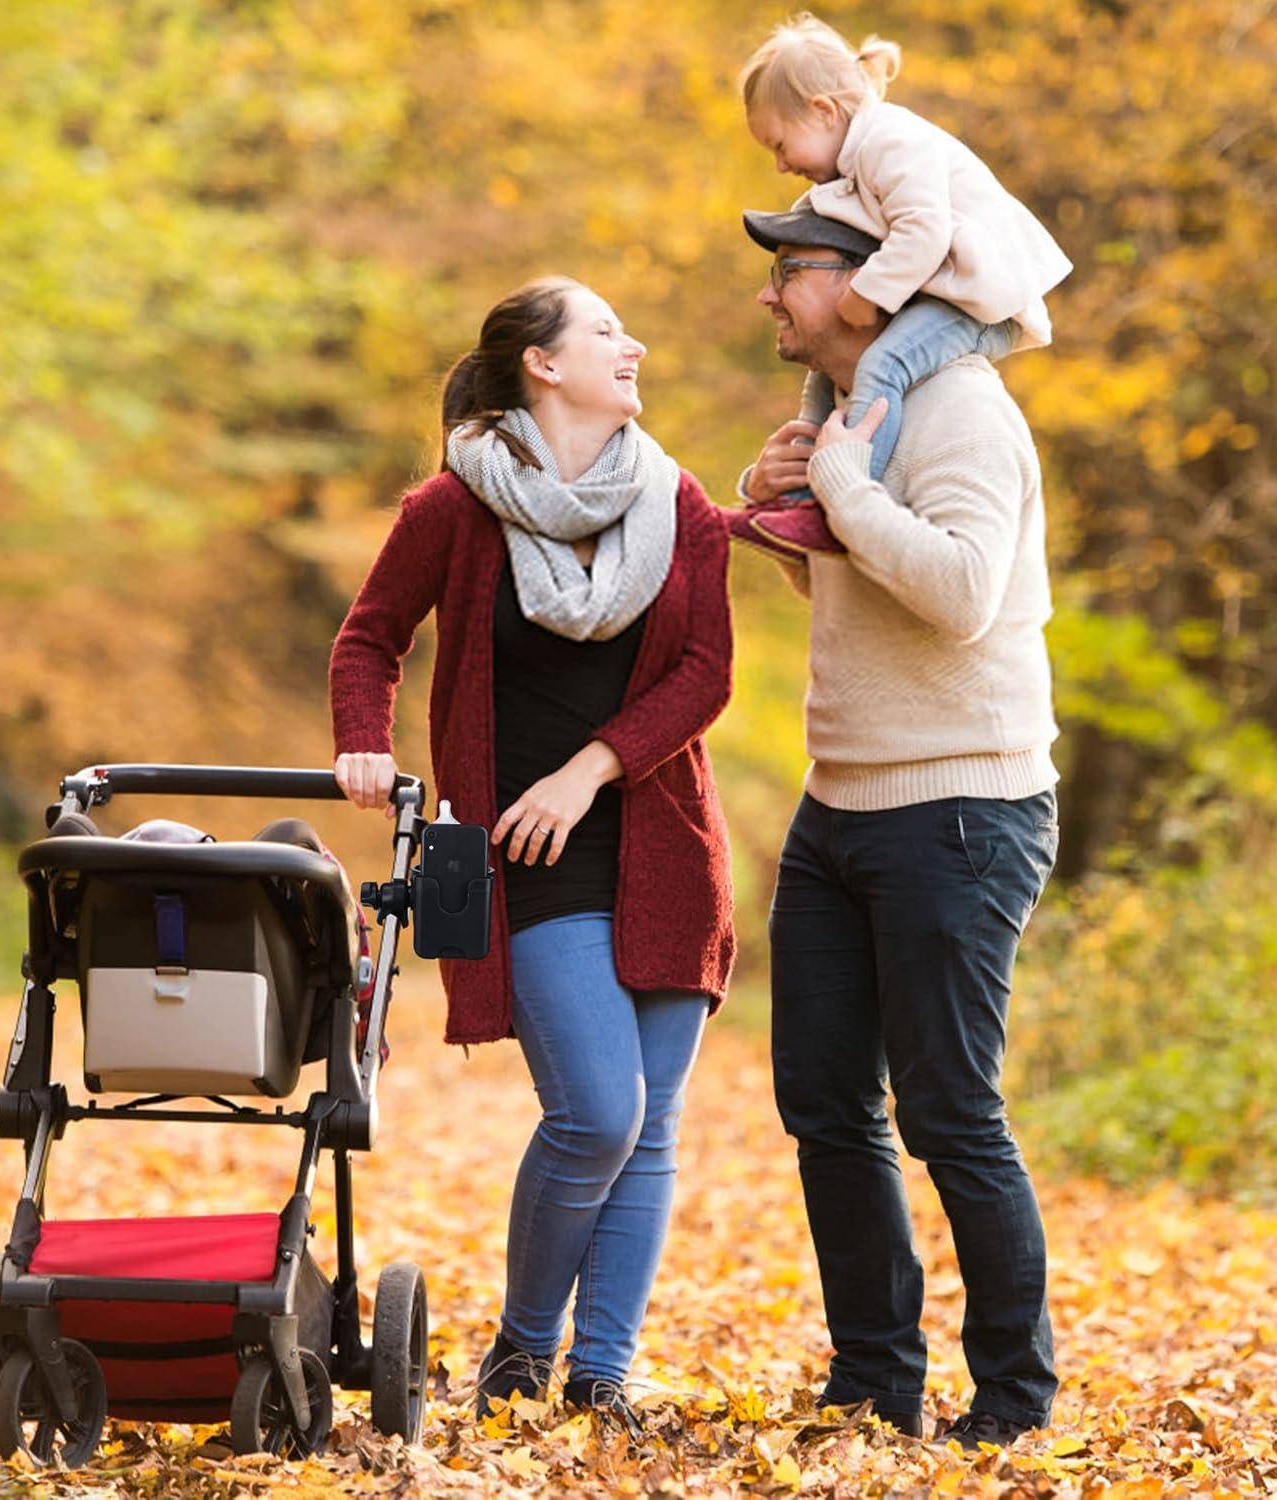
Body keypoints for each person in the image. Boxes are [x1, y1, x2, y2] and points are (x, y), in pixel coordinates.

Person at [328, 277, 736, 1428]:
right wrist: (364, 745)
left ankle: (602, 1373)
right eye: (608, 332)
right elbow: (369, 639)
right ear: (543, 365)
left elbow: (705, 673)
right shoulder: (455, 509)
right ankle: (522, 1347)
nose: (634, 344)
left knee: (649, 1127)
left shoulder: (679, 503)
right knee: (598, 1115)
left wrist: (588, 770)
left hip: (660, 841)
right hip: (517, 855)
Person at [740, 198, 1061, 1450]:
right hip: (841, 805)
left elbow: (964, 594)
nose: (771, 294)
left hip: (962, 806)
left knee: (949, 1112)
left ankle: (1015, 1401)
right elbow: (861, 578)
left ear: (870, 286)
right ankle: (877, 1383)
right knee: (823, 1099)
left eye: (794, 271)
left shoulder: (962, 407)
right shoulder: (840, 412)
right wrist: (782, 514)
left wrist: (837, 490)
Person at [728, 12, 1070, 557]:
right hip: (950, 294)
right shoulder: (851, 158)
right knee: (824, 377)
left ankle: (844, 494)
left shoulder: (891, 140)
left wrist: (866, 295)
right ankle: (796, 499)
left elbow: (923, 229)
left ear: (822, 111)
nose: (779, 165)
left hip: (985, 304)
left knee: (883, 365)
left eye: (780, 145)